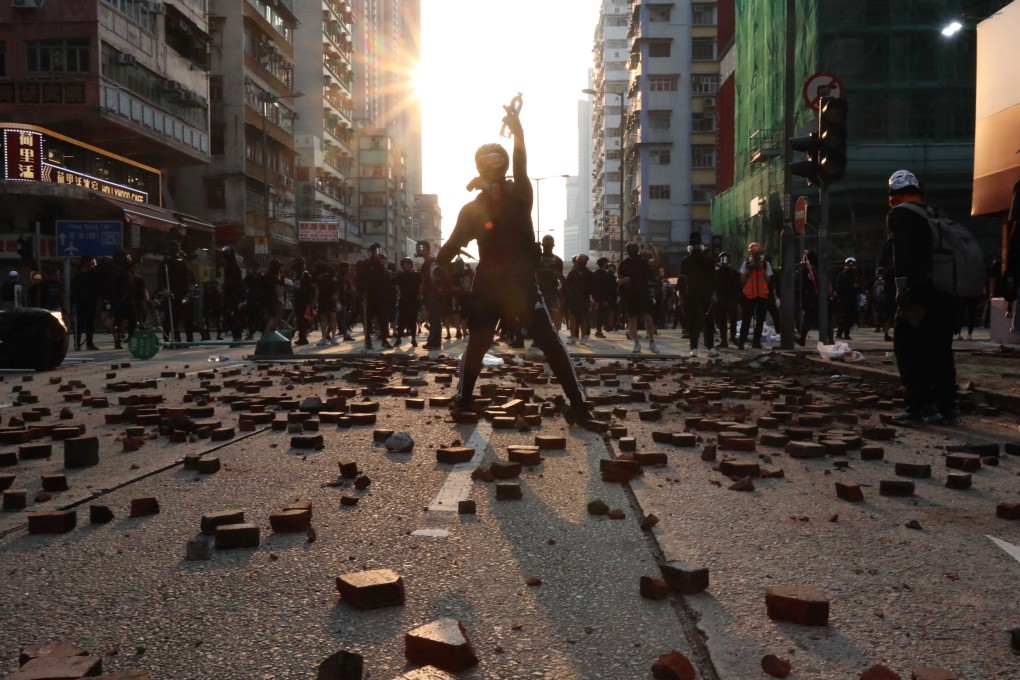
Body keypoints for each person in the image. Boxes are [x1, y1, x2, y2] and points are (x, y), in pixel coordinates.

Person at [435, 103, 590, 424]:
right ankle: (463, 399)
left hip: (521, 283)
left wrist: (518, 132)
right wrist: (437, 267)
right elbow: (450, 246)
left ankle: (578, 403)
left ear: (503, 164)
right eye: (485, 161)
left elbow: (520, 168)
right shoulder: (472, 209)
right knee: (478, 342)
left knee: (549, 342)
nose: (492, 165)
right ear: (477, 165)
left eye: (497, 160)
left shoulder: (520, 193)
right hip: (489, 284)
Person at [886, 169, 958, 426]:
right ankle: (947, 408)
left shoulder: (899, 214)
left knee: (907, 348)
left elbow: (901, 255)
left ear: (893, 195)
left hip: (919, 292)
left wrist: (902, 291)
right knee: (941, 351)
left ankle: (919, 408)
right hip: (946, 292)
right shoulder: (936, 213)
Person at [678, 231, 717, 357]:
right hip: (693, 294)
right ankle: (695, 347)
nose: (695, 247)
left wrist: (714, 293)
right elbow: (682, 281)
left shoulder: (708, 260)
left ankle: (709, 346)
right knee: (694, 321)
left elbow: (713, 278)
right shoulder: (686, 261)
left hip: (704, 293)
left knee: (708, 320)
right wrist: (681, 296)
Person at [617, 242, 659, 353]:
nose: (633, 251)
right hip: (630, 294)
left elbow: (656, 262)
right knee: (632, 319)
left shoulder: (643, 261)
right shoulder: (624, 264)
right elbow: (618, 280)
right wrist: (623, 280)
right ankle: (636, 343)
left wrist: (653, 251)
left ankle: (652, 341)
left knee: (647, 317)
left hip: (643, 293)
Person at [355, 243, 392, 349]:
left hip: (380, 296)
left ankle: (384, 340)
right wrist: (361, 293)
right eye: (376, 252)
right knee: (367, 320)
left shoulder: (380, 265)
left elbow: (385, 281)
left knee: (383, 320)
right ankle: (368, 341)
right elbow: (358, 280)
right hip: (368, 296)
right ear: (371, 253)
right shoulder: (363, 264)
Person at [737, 241, 772, 350]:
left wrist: (761, 268)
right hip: (749, 295)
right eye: (753, 253)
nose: (755, 256)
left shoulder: (766, 264)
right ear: (750, 254)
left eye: (757, 253)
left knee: (760, 320)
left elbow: (768, 280)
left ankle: (756, 342)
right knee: (746, 319)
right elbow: (742, 280)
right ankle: (741, 342)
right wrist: (749, 269)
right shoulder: (746, 264)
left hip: (761, 295)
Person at [159, 246, 196, 343]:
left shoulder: (184, 266)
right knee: (170, 318)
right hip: (172, 294)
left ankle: (189, 339)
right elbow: (161, 278)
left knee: (185, 318)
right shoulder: (167, 263)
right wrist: (165, 290)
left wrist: (188, 294)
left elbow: (191, 282)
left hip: (182, 295)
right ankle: (172, 339)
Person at [416, 240, 445, 349]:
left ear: (426, 250)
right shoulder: (433, 261)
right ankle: (435, 342)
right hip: (436, 294)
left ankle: (434, 342)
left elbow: (423, 281)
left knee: (434, 319)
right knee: (435, 319)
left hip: (431, 294)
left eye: (421, 248)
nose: (419, 250)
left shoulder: (428, 262)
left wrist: (419, 295)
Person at [536, 234, 565, 332]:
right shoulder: (536, 258)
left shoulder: (558, 260)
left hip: (552, 290)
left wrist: (558, 275)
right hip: (539, 289)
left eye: (550, 243)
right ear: (542, 245)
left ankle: (556, 332)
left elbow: (561, 277)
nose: (548, 245)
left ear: (553, 245)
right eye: (546, 243)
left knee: (555, 310)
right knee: (539, 313)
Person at [71, 257, 101, 350]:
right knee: (79, 325)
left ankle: (89, 343)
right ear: (85, 263)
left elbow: (97, 289)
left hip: (91, 302)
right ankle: (77, 343)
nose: (92, 264)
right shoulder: (78, 275)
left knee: (89, 324)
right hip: (80, 303)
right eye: (90, 262)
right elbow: (74, 290)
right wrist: (74, 303)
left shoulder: (94, 275)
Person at [564, 253, 593, 344]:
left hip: (585, 298)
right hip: (574, 299)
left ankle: (583, 337)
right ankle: (573, 337)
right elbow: (567, 286)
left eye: (582, 262)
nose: (581, 263)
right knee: (573, 318)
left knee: (584, 318)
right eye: (579, 262)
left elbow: (593, 287)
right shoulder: (572, 273)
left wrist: (593, 299)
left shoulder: (589, 273)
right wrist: (568, 297)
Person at [393, 256, 421, 347]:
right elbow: (392, 283)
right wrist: (398, 291)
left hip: (413, 300)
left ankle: (413, 339)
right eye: (404, 264)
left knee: (413, 320)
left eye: (408, 264)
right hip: (403, 300)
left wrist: (419, 295)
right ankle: (399, 339)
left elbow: (422, 284)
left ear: (411, 265)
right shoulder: (400, 275)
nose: (406, 266)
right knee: (401, 321)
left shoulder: (416, 275)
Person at [714, 252, 741, 347]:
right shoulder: (733, 272)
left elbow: (739, 286)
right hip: (726, 300)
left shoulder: (731, 273)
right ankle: (727, 339)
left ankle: (727, 338)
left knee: (728, 321)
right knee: (726, 321)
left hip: (726, 300)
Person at [219, 246, 244, 341]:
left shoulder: (233, 266)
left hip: (233, 295)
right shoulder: (228, 265)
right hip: (229, 294)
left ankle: (237, 337)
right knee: (230, 315)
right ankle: (236, 336)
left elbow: (235, 282)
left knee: (233, 315)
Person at [796, 250, 820, 346]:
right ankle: (802, 338)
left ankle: (802, 338)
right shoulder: (810, 270)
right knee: (810, 319)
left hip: (810, 297)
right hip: (812, 297)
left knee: (809, 319)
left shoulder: (810, 270)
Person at [291, 258, 315, 345]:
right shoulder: (303, 273)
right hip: (303, 299)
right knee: (300, 318)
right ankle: (304, 334)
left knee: (300, 318)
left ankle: (303, 337)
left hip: (301, 299)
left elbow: (298, 287)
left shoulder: (301, 274)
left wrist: (293, 287)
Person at [835, 257, 859, 340]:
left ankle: (846, 334)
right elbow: (838, 288)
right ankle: (839, 333)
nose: (851, 267)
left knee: (851, 317)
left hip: (853, 298)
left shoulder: (855, 275)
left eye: (853, 265)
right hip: (844, 299)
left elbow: (857, 287)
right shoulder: (842, 275)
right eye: (849, 265)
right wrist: (839, 298)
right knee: (844, 316)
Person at [591, 257, 616, 337]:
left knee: (602, 313)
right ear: (604, 263)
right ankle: (599, 330)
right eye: (606, 262)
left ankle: (603, 327)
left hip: (600, 297)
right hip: (601, 297)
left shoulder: (597, 273)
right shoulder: (602, 274)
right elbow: (602, 288)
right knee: (600, 313)